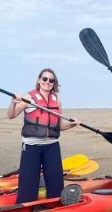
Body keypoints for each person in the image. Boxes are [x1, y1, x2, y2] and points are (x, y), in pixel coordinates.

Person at [8, 69, 76, 204]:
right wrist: (13, 102)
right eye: (44, 79)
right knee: (28, 180)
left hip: (51, 146)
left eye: (51, 80)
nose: (47, 82)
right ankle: (26, 206)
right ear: (39, 80)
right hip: (31, 146)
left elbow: (59, 126)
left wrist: (72, 125)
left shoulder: (57, 100)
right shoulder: (29, 97)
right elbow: (11, 115)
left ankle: (54, 205)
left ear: (54, 83)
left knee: (56, 180)